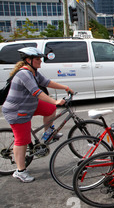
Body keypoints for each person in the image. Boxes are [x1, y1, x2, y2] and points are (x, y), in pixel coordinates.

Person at [2, 47, 73, 183]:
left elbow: (46, 83)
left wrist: (65, 87)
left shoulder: (33, 72)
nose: (40, 61)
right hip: (18, 111)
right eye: (37, 59)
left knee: (49, 108)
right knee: (22, 140)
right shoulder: (24, 74)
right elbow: (36, 92)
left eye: (40, 58)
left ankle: (48, 134)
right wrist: (55, 100)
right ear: (28, 60)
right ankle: (20, 171)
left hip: (28, 106)